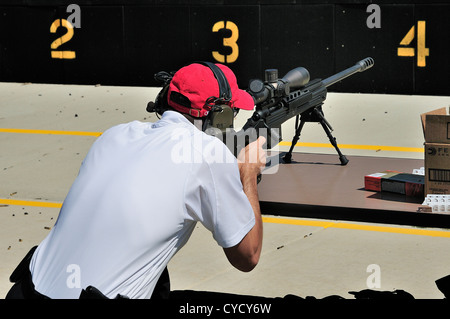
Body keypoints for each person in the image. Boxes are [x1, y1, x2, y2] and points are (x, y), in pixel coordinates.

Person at [5, 62, 267, 299]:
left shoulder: (114, 135)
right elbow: (248, 256)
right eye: (231, 114)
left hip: (24, 292)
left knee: (158, 279)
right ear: (218, 115)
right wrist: (247, 174)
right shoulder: (209, 152)